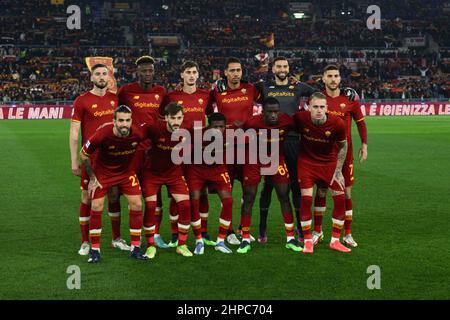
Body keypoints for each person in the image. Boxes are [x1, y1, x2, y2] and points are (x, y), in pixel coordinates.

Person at [255, 56, 316, 244]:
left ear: (289, 69)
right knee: (268, 186)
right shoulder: (264, 88)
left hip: (293, 142)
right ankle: (262, 229)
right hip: (270, 143)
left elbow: (316, 93)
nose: (282, 69)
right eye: (279, 66)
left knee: (296, 186)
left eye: (285, 66)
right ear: (273, 69)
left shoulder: (298, 87)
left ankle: (299, 227)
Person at [70, 63, 129, 256]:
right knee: (87, 197)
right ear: (91, 78)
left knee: (114, 195)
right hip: (91, 159)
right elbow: (74, 133)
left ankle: (116, 238)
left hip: (113, 158)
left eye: (105, 73)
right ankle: (85, 242)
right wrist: (74, 161)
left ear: (109, 77)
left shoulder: (115, 99)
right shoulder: (82, 100)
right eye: (98, 74)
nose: (102, 77)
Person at [80, 105, 148, 263]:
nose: (124, 124)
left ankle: (135, 248)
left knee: (137, 204)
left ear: (132, 121)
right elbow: (83, 155)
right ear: (114, 121)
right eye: (121, 121)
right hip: (103, 174)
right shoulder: (103, 133)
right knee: (96, 206)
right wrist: (92, 178)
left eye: (127, 120)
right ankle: (95, 250)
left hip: (126, 173)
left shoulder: (138, 133)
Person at [159, 60, 215, 248]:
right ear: (181, 75)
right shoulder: (171, 96)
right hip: (177, 151)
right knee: (175, 194)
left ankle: (204, 232)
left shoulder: (205, 95)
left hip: (199, 151)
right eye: (188, 72)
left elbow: (208, 116)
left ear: (198, 75)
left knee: (202, 192)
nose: (191, 75)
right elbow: (164, 119)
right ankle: (175, 234)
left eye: (194, 72)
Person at [312, 65, 368, 248]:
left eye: (336, 76)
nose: (333, 79)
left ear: (340, 78)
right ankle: (317, 232)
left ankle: (347, 234)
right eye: (330, 76)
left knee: (346, 193)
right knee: (321, 191)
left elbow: (360, 123)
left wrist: (364, 145)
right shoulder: (318, 99)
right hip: (324, 154)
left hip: (346, 154)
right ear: (323, 78)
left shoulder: (349, 99)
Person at [237, 97, 303, 253]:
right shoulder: (252, 122)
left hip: (275, 159)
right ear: (263, 112)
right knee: (249, 197)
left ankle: (290, 238)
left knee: (284, 196)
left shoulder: (286, 121)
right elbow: (239, 134)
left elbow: (301, 128)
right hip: (253, 160)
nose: (274, 115)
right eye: (270, 112)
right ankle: (245, 238)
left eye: (276, 111)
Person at [118, 55, 168, 249]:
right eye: (144, 71)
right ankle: (128, 235)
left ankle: (155, 234)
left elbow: (164, 119)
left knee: (155, 194)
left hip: (154, 151)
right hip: (131, 151)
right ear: (137, 72)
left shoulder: (161, 92)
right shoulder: (126, 91)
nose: (147, 74)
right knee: (128, 194)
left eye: (150, 71)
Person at [210, 57, 261, 245]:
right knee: (227, 190)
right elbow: (208, 111)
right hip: (225, 148)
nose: (236, 73)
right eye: (232, 70)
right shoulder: (217, 92)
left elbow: (268, 100)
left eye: (238, 70)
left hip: (248, 148)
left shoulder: (250, 89)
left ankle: (243, 228)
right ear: (225, 72)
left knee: (249, 190)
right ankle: (229, 230)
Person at [293, 92, 351, 254]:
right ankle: (308, 241)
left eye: (322, 107)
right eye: (315, 107)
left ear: (327, 108)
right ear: (309, 107)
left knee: (340, 197)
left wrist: (338, 170)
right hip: (307, 163)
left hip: (329, 163)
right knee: (306, 199)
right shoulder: (300, 119)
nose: (319, 110)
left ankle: (335, 241)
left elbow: (343, 146)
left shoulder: (337, 123)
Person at [141, 102, 193, 258]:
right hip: (152, 173)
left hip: (173, 173)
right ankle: (150, 246)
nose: (176, 121)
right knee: (150, 207)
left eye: (179, 118)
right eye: (173, 118)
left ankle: (182, 245)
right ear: (166, 118)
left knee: (185, 205)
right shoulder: (154, 128)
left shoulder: (186, 132)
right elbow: (136, 135)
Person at [184, 112, 234, 254]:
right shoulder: (196, 135)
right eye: (215, 127)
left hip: (217, 169)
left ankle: (221, 241)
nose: (218, 130)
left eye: (221, 127)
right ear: (208, 126)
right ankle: (198, 240)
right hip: (197, 169)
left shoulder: (230, 135)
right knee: (194, 201)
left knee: (228, 201)